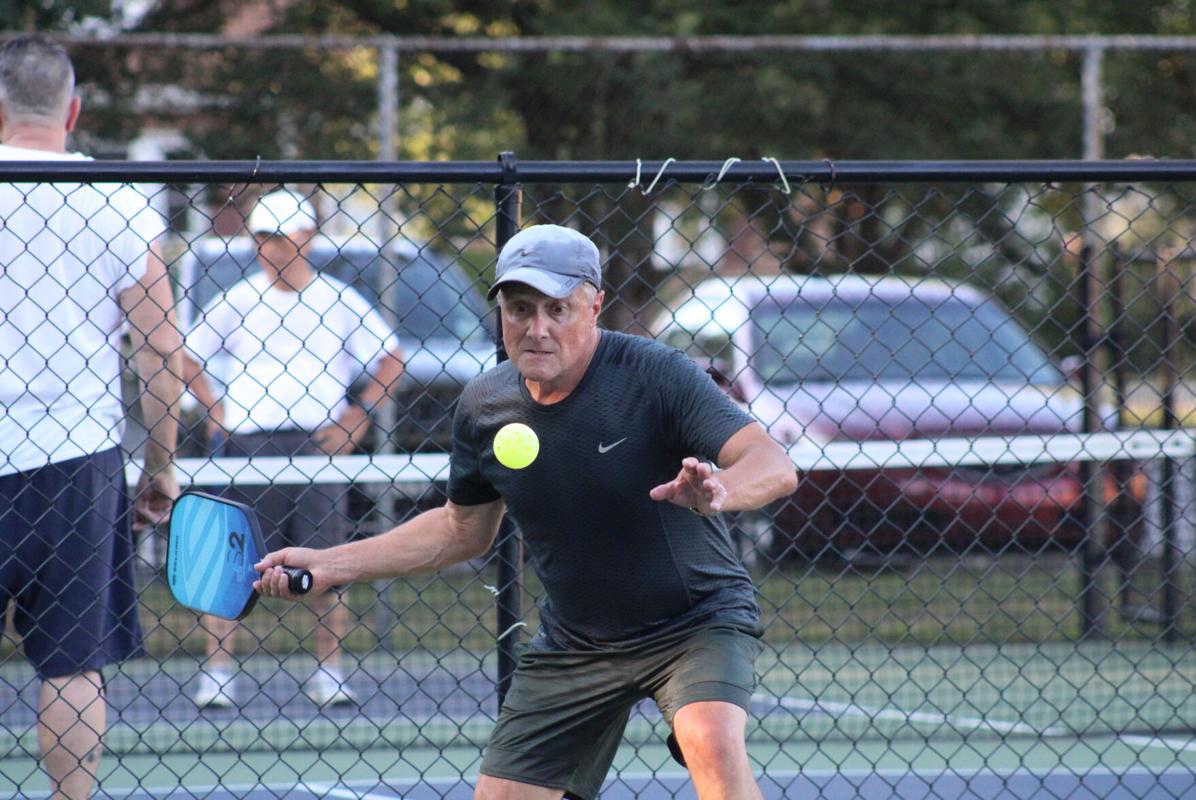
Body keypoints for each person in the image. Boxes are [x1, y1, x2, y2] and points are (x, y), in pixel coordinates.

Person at [256, 224, 799, 799]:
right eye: (519, 309)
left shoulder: (656, 374)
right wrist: (331, 564)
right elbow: (458, 530)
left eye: (556, 309)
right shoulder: (485, 405)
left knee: (708, 736)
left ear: (594, 306)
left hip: (694, 621)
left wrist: (721, 488)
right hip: (578, 642)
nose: (536, 328)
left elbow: (772, 463)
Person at [0, 35, 182, 800]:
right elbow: (159, 347)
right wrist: (161, 465)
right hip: (75, 453)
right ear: (72, 111)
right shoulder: (116, 201)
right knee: (73, 658)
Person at [183, 188, 405, 708]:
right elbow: (186, 357)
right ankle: (217, 673)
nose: (270, 249)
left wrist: (358, 418)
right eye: (262, 238)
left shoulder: (337, 299)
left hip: (314, 447)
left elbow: (390, 358)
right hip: (246, 447)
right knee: (230, 564)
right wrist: (213, 409)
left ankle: (329, 673)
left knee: (324, 564)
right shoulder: (237, 299)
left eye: (279, 238)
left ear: (306, 238)